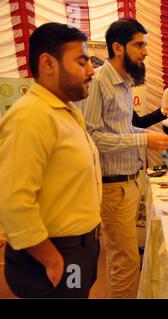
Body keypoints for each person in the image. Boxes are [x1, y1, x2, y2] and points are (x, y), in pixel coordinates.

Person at [0, 23, 101, 298]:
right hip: (53, 255)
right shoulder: (31, 116)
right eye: (82, 62)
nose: (91, 71)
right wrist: (50, 258)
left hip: (75, 250)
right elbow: (13, 201)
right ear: (48, 63)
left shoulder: (64, 111)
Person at [79, 18, 168, 298]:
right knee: (126, 261)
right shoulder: (98, 83)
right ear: (117, 48)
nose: (145, 52)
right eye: (138, 45)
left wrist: (150, 135)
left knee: (125, 257)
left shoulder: (124, 83)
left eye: (145, 45)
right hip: (112, 186)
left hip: (130, 181)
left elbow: (122, 128)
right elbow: (93, 138)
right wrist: (145, 138)